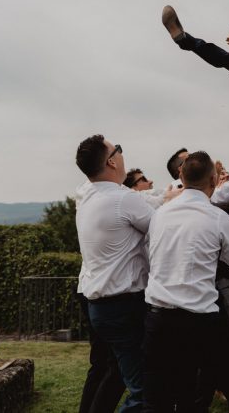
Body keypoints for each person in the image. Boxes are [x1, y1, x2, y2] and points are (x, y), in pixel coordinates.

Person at [142, 151, 229, 412]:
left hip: (158, 318)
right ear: (214, 180)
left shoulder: (159, 215)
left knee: (157, 400)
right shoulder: (218, 218)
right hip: (201, 320)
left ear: (181, 176)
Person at [75, 136, 153, 412]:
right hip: (125, 307)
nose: (121, 154)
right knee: (146, 392)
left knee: (119, 374)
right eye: (118, 149)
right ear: (111, 161)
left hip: (101, 306)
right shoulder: (122, 198)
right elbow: (165, 229)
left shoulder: (86, 196)